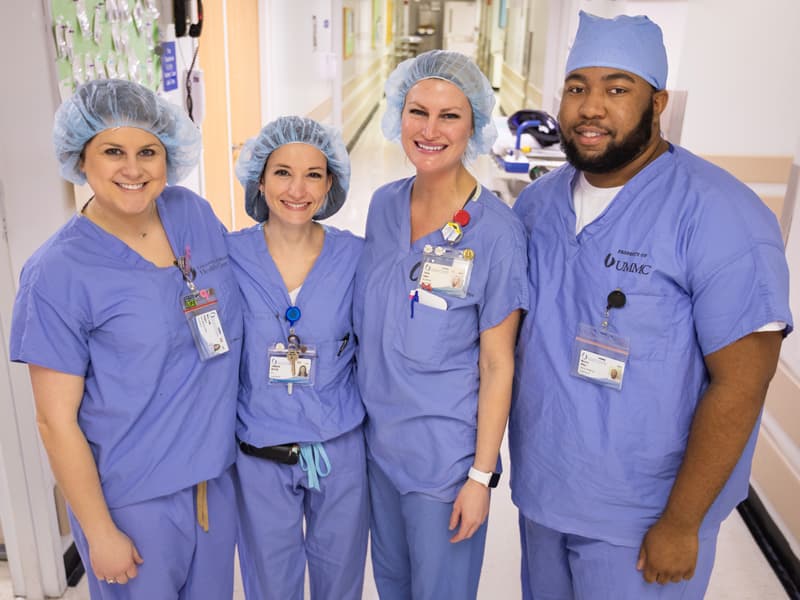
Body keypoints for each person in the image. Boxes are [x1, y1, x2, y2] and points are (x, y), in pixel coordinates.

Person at [510, 11, 793, 599]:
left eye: (618, 88)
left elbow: (741, 385)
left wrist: (682, 523)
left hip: (642, 520)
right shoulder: (536, 207)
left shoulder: (721, 216)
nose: (592, 107)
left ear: (657, 102)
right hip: (545, 495)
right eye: (577, 87)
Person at [9, 79, 243, 598]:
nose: (133, 169)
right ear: (81, 158)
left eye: (148, 152)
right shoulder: (57, 272)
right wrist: (99, 533)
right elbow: (54, 421)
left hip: (213, 484)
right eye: (113, 151)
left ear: (169, 155)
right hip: (131, 502)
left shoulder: (192, 214)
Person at [354, 50, 529, 599]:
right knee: (393, 586)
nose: (430, 130)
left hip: (445, 461)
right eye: (417, 111)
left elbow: (498, 364)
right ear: (398, 116)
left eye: (449, 115)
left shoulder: (497, 233)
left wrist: (480, 477)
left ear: (474, 122)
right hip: (378, 448)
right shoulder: (383, 205)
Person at [228, 116, 368, 600]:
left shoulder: (356, 257)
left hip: (339, 449)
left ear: (331, 183)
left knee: (340, 581)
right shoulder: (227, 256)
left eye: (314, 174)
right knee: (269, 584)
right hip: (259, 452)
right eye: (283, 172)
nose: (297, 189)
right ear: (260, 180)